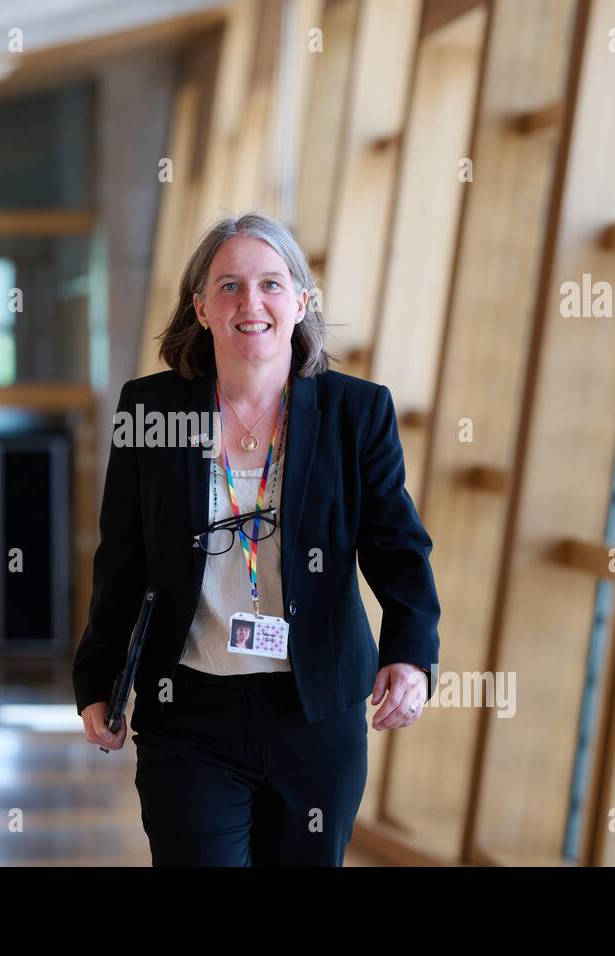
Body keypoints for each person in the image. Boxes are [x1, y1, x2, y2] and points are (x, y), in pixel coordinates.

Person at [73, 211, 441, 866]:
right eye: (230, 286)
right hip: (187, 712)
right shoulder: (151, 410)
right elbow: (122, 556)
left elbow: (397, 545)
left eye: (272, 284)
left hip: (316, 713)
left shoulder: (356, 413)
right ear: (201, 306)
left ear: (301, 301)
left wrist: (410, 653)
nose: (252, 303)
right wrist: (100, 678)